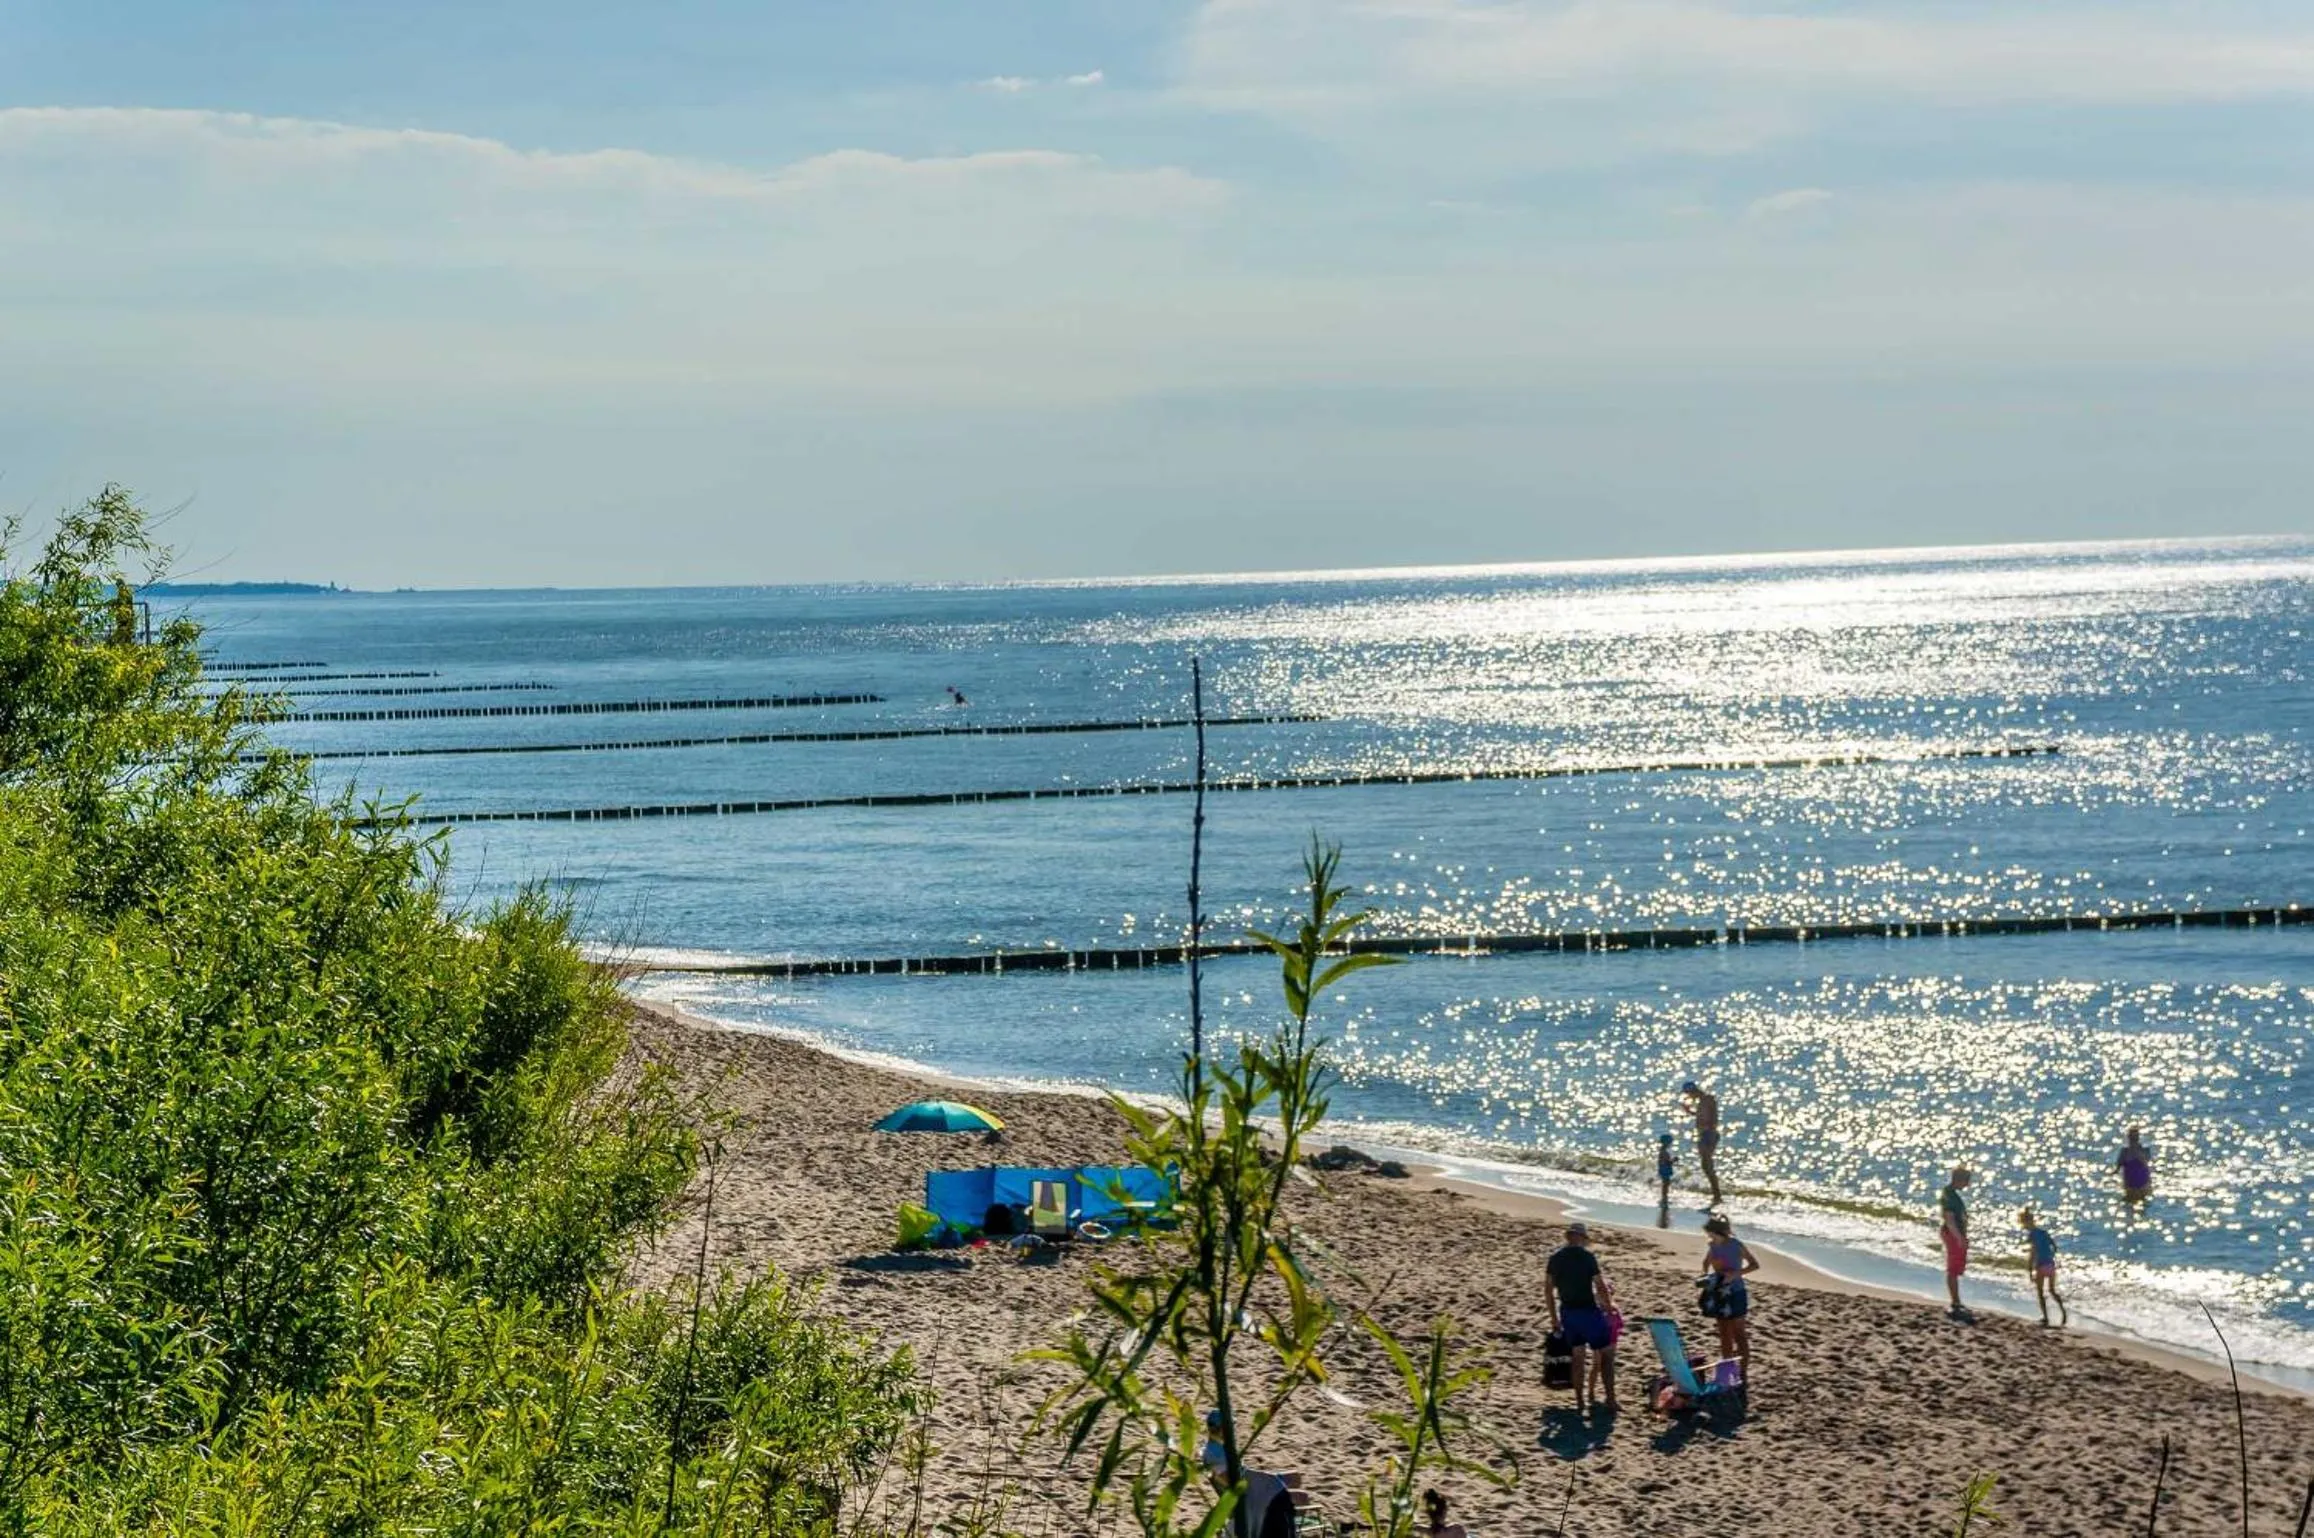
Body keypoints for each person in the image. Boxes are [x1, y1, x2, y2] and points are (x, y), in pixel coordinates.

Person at [1544, 1221, 1618, 1412]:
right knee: (1606, 1355)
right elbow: (1600, 1286)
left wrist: (1554, 1318)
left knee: (1577, 1357)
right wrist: (1609, 1309)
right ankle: (1610, 1399)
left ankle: (1579, 1401)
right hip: (1588, 1311)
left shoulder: (1555, 1258)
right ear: (1581, 1238)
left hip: (1568, 1312)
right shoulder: (1587, 1257)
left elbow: (1548, 1291)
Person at [1700, 1214, 1759, 1385]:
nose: (1710, 1238)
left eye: (1711, 1234)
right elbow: (1705, 1263)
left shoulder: (1736, 1245)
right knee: (1724, 1333)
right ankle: (1727, 1369)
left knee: (1739, 1333)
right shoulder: (1712, 1246)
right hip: (1719, 1293)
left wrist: (1735, 1274)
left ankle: (1743, 1371)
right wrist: (1706, 1277)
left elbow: (1754, 1265)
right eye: (1709, 1235)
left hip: (1736, 1292)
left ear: (1720, 1233)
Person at [2020, 1207, 2068, 1327]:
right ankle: (2063, 1313)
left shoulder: (2032, 1235)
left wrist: (2030, 1269)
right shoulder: (2043, 1232)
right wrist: (2050, 1255)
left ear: (2026, 1222)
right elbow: (2054, 1246)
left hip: (2041, 1265)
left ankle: (2046, 1318)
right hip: (2050, 1265)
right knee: (2052, 1291)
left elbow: (2033, 1252)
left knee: (2040, 1293)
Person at [1940, 1166, 1974, 1320]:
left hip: (1956, 1233)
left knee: (1956, 1267)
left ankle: (1957, 1301)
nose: (1967, 1184)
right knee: (1953, 1269)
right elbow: (1949, 1218)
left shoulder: (1953, 1194)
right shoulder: (1949, 1195)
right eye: (1966, 1181)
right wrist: (1959, 1238)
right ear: (1959, 1180)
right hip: (1953, 1234)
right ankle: (1955, 1302)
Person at [1681, 1081, 1723, 1204]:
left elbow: (1713, 1117)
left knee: (1707, 1165)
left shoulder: (1707, 1099)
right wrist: (1689, 1112)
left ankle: (1717, 1195)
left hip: (1708, 1135)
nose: (1689, 1096)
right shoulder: (1702, 1101)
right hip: (1705, 1134)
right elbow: (1701, 1116)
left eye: (1689, 1093)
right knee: (1706, 1166)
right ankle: (1716, 1194)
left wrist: (1709, 1128)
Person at [2117, 1127, 2152, 1202]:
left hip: (2141, 1181)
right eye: (2132, 1137)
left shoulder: (2144, 1149)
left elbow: (2146, 1161)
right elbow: (2119, 1166)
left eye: (2135, 1137)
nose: (2133, 1139)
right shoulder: (2125, 1151)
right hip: (2131, 1182)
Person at [1655, 1131, 1677, 1219]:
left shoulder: (1662, 1150)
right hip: (1665, 1169)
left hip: (1663, 1168)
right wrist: (1674, 1160)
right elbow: (1667, 1162)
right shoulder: (1664, 1152)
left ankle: (1664, 1197)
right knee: (1666, 1184)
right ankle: (1664, 1198)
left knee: (1665, 1184)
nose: (1670, 1144)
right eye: (1670, 1142)